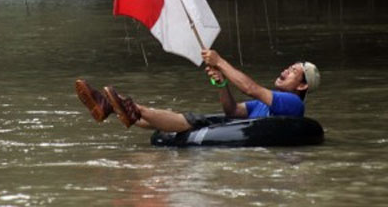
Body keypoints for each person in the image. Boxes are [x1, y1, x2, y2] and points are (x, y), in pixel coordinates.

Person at [75, 49, 320, 132]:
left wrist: (220, 60)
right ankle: (111, 108)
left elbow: (251, 88)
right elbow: (232, 111)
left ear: (302, 85)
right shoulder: (267, 105)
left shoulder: (293, 103)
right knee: (196, 119)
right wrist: (221, 83)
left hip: (247, 141)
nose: (286, 70)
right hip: (239, 131)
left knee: (194, 121)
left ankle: (122, 105)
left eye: (294, 70)